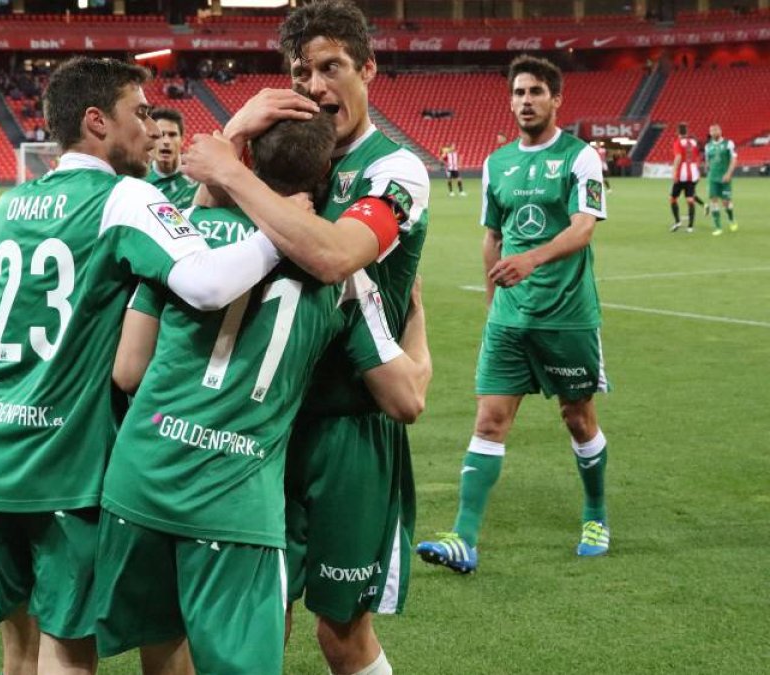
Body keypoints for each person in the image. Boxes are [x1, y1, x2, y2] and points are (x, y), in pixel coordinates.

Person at [0, 57, 287, 675]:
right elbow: (208, 282)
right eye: (139, 112)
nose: (148, 126)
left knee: (18, 648)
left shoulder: (6, 207)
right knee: (67, 648)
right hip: (63, 460)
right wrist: (288, 228)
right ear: (96, 122)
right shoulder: (124, 197)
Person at [94, 114, 432, 675]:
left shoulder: (186, 233)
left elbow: (128, 370)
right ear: (326, 176)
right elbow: (405, 400)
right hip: (234, 499)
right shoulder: (346, 281)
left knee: (162, 652)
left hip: (140, 484)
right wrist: (416, 322)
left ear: (248, 161)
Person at [182, 2, 431, 672]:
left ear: (368, 68)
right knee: (256, 621)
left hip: (347, 426)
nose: (317, 86)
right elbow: (182, 244)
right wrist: (234, 134)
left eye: (332, 68)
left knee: (341, 634)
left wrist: (231, 170)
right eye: (302, 72)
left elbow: (333, 256)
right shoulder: (282, 153)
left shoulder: (395, 170)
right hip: (261, 422)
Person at [416, 55, 611, 574]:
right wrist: (490, 300)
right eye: (519, 93)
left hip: (567, 317)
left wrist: (531, 259)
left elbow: (583, 227)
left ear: (556, 99)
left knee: (578, 417)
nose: (526, 101)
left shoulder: (580, 157)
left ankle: (595, 514)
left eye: (536, 92)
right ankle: (464, 537)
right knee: (489, 419)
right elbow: (493, 239)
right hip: (509, 321)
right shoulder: (497, 164)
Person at [144, 107, 197, 209]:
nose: (166, 141)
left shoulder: (198, 174)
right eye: (160, 135)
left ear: (182, 140)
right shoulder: (141, 184)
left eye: (172, 135)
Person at [703, 123, 738, 235]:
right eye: (712, 130)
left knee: (726, 202)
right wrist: (707, 167)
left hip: (725, 178)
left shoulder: (729, 143)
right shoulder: (708, 146)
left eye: (716, 130)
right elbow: (707, 161)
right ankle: (718, 227)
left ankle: (731, 219)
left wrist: (728, 173)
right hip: (713, 178)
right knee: (713, 201)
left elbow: (734, 160)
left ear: (720, 131)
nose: (714, 132)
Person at [669, 122, 702, 232]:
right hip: (692, 173)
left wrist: (674, 171)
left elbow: (678, 157)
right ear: (687, 131)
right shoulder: (693, 142)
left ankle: (678, 221)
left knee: (673, 199)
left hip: (682, 173)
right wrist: (698, 171)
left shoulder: (678, 142)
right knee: (690, 199)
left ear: (677, 132)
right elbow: (698, 157)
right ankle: (690, 227)